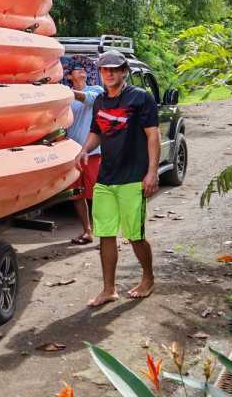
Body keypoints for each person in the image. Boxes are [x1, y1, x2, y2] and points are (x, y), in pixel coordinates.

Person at [81, 49, 160, 306]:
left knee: (135, 234)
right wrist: (84, 149)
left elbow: (153, 135)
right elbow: (96, 132)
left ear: (124, 71)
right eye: (105, 69)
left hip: (133, 178)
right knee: (105, 234)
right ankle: (109, 289)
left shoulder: (140, 98)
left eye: (114, 69)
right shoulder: (100, 101)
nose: (109, 73)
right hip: (106, 178)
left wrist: (152, 172)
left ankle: (148, 278)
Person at [63, 56, 104, 245]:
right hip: (72, 155)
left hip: (93, 154)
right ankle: (87, 232)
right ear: (69, 76)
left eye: (84, 68)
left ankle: (106, 235)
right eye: (77, 68)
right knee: (77, 195)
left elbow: (88, 100)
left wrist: (64, 93)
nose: (82, 70)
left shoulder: (96, 90)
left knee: (98, 196)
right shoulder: (64, 99)